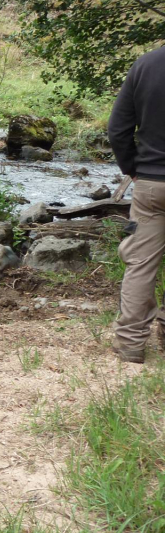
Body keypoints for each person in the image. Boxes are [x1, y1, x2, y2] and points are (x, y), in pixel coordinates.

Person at [109, 45, 165, 363]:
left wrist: (134, 169)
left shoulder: (145, 65)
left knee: (141, 265)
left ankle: (130, 344)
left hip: (152, 183)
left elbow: (118, 130)